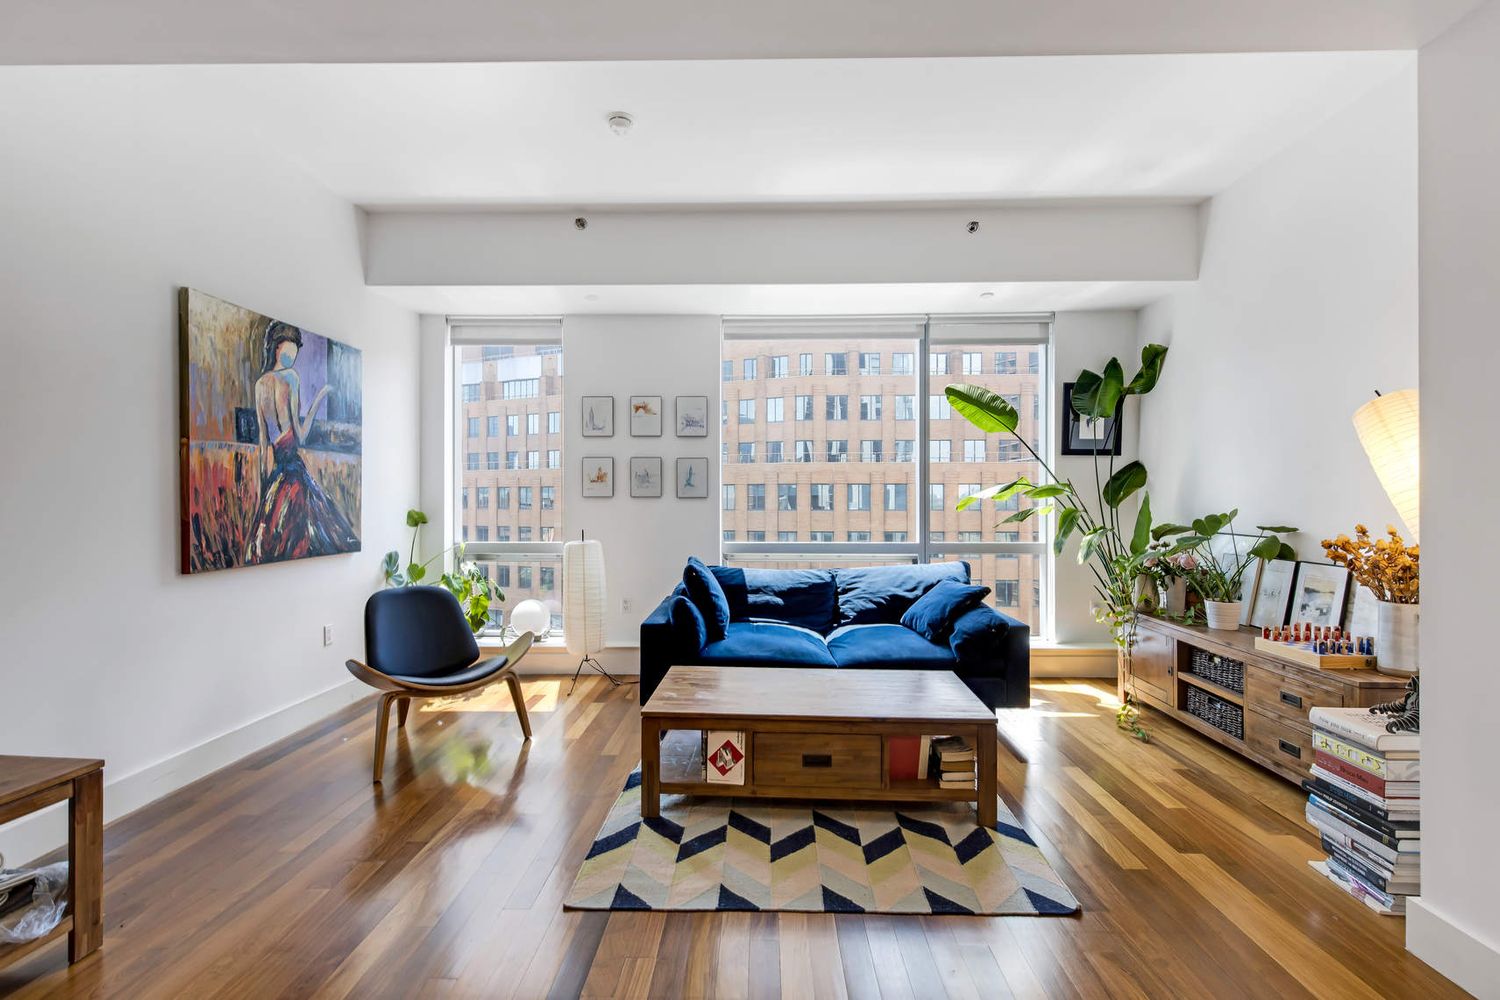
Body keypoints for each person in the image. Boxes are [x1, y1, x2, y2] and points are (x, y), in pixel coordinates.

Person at [245, 321, 358, 562]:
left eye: (296, 351)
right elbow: (301, 435)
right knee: (316, 530)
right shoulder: (291, 378)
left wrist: (264, 483)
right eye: (290, 349)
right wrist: (320, 397)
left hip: (275, 470)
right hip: (293, 468)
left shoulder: (259, 385)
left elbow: (264, 443)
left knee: (270, 534)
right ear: (277, 348)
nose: (293, 355)